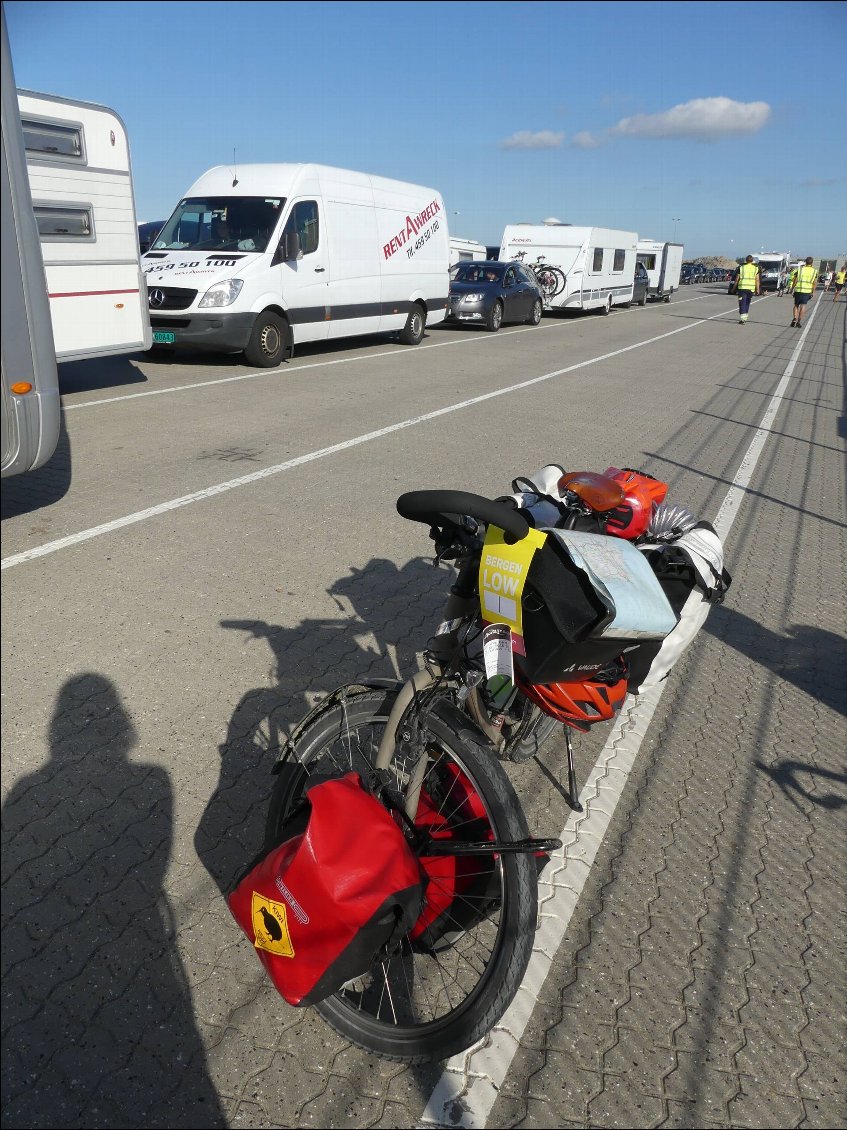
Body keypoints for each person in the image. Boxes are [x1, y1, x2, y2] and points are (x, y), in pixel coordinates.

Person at [791, 257, 818, 327]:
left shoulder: (800, 269)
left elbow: (795, 280)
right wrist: (813, 291)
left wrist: (792, 288)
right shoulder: (814, 271)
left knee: (796, 305)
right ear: (812, 263)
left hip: (798, 290)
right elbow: (815, 283)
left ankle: (794, 318)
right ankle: (799, 321)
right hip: (807, 291)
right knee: (803, 306)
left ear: (805, 262)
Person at [735, 255, 760, 324]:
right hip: (751, 289)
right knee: (747, 302)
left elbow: (737, 279)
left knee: (742, 303)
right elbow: (757, 280)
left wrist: (734, 288)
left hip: (742, 288)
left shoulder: (741, 268)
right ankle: (745, 317)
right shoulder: (756, 268)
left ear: (746, 260)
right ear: (752, 261)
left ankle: (743, 319)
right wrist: (757, 289)